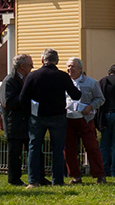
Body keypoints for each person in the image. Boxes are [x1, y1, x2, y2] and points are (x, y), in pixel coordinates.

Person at [21, 50, 81, 187]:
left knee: (34, 148)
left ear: (42, 60)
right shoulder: (62, 76)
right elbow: (76, 95)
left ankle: (33, 180)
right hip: (58, 116)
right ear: (57, 61)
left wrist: (30, 111)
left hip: (38, 116)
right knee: (58, 149)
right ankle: (58, 180)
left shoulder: (33, 76)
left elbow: (23, 98)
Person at [65, 57, 108, 183]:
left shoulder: (91, 82)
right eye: (68, 66)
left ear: (80, 68)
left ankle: (99, 175)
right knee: (69, 148)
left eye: (72, 66)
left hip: (85, 119)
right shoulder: (64, 82)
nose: (70, 69)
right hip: (68, 119)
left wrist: (90, 107)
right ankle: (75, 176)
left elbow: (100, 99)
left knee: (92, 147)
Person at [2, 53, 32, 185]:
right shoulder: (9, 81)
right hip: (13, 123)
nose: (32, 67)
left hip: (25, 121)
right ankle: (14, 179)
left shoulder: (24, 79)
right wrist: (26, 98)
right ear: (22, 66)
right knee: (15, 154)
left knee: (32, 150)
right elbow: (8, 102)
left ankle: (36, 176)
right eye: (30, 65)